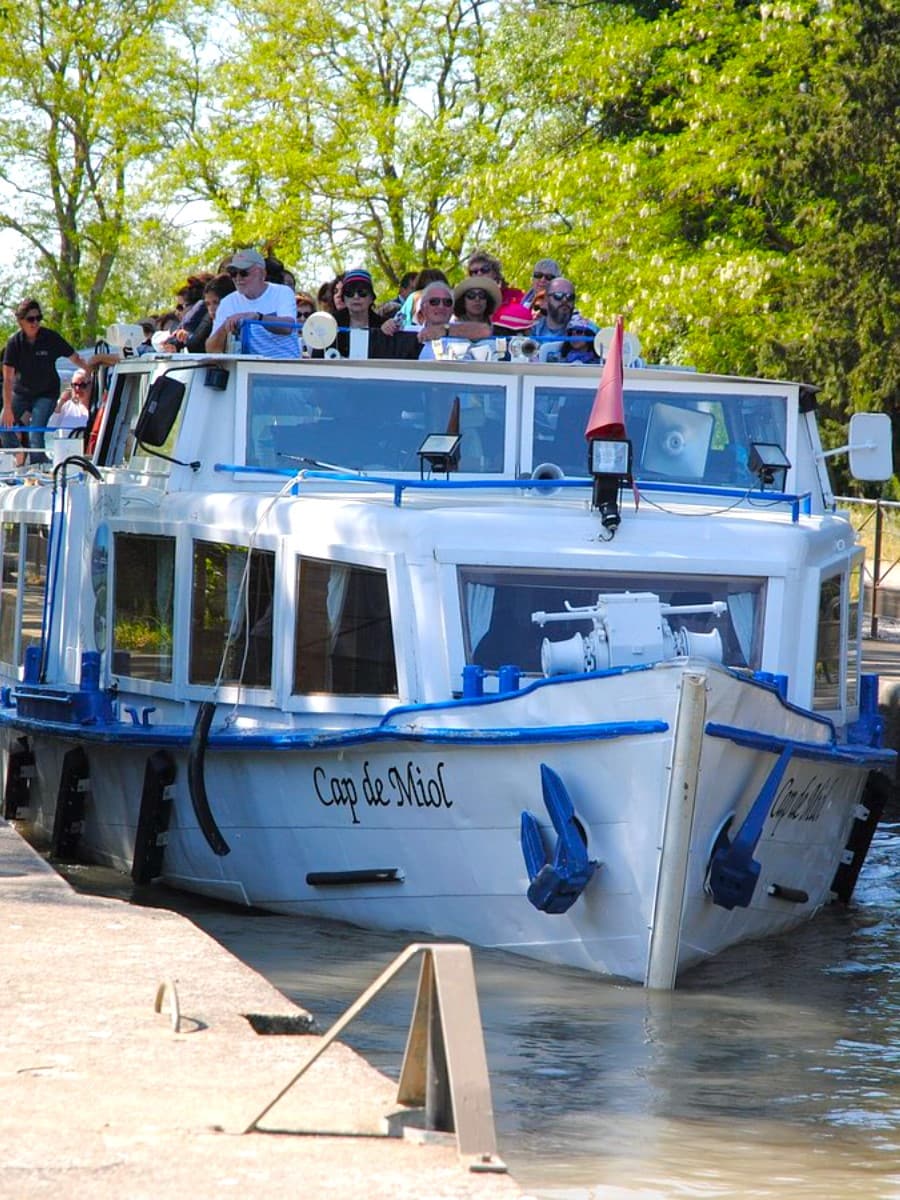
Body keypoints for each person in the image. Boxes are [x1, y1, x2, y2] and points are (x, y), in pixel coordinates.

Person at [2, 298, 91, 466]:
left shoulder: (50, 338)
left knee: (36, 432)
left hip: (46, 393)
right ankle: (18, 453)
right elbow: (8, 378)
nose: (35, 323)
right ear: (21, 321)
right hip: (21, 393)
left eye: (38, 318)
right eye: (30, 319)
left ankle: (39, 467)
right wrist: (7, 408)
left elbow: (74, 356)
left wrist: (88, 369)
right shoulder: (14, 343)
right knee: (3, 425)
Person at [205, 249, 299, 357]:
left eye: (244, 273)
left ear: (262, 273)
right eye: (233, 274)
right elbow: (211, 349)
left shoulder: (283, 292)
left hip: (284, 365)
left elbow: (287, 327)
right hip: (246, 369)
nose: (238, 278)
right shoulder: (228, 302)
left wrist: (257, 317)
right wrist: (225, 326)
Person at [531, 278, 580, 342]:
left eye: (570, 297)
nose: (565, 300)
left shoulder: (586, 331)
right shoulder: (531, 329)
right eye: (558, 295)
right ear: (546, 300)